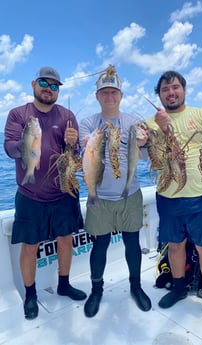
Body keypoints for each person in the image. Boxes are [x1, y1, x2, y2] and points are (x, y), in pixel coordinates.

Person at [146, 71, 202, 334]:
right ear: (160, 94)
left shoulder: (201, 115)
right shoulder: (153, 121)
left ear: (184, 90)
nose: (171, 92)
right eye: (165, 89)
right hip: (168, 197)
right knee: (174, 247)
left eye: (175, 87)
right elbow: (144, 151)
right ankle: (177, 288)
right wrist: (145, 136)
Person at [4, 66, 86, 320]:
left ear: (58, 91)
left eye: (54, 86)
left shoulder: (67, 115)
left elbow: (76, 157)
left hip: (63, 192)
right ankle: (31, 295)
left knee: (65, 239)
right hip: (30, 195)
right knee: (30, 246)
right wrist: (27, 142)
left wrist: (75, 144)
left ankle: (64, 283)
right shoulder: (19, 114)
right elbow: (8, 148)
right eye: (44, 83)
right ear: (33, 84)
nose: (48, 89)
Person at [79, 66, 152, 318]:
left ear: (120, 96)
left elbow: (142, 155)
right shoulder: (88, 123)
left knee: (132, 242)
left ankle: (136, 286)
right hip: (99, 196)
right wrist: (88, 144)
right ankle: (96, 290)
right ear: (97, 96)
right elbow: (84, 158)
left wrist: (144, 141)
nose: (109, 97)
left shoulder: (132, 122)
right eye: (104, 93)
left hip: (130, 195)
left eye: (113, 92)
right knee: (100, 245)